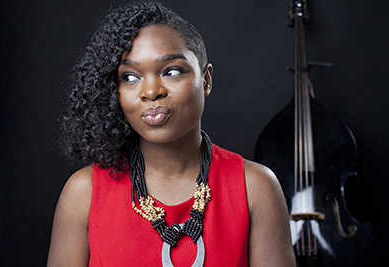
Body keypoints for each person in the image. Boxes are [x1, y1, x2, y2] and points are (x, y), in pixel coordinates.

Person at [47, 1, 295, 266]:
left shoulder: (255, 187)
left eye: (172, 71)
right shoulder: (84, 192)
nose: (151, 91)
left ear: (206, 80)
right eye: (130, 77)